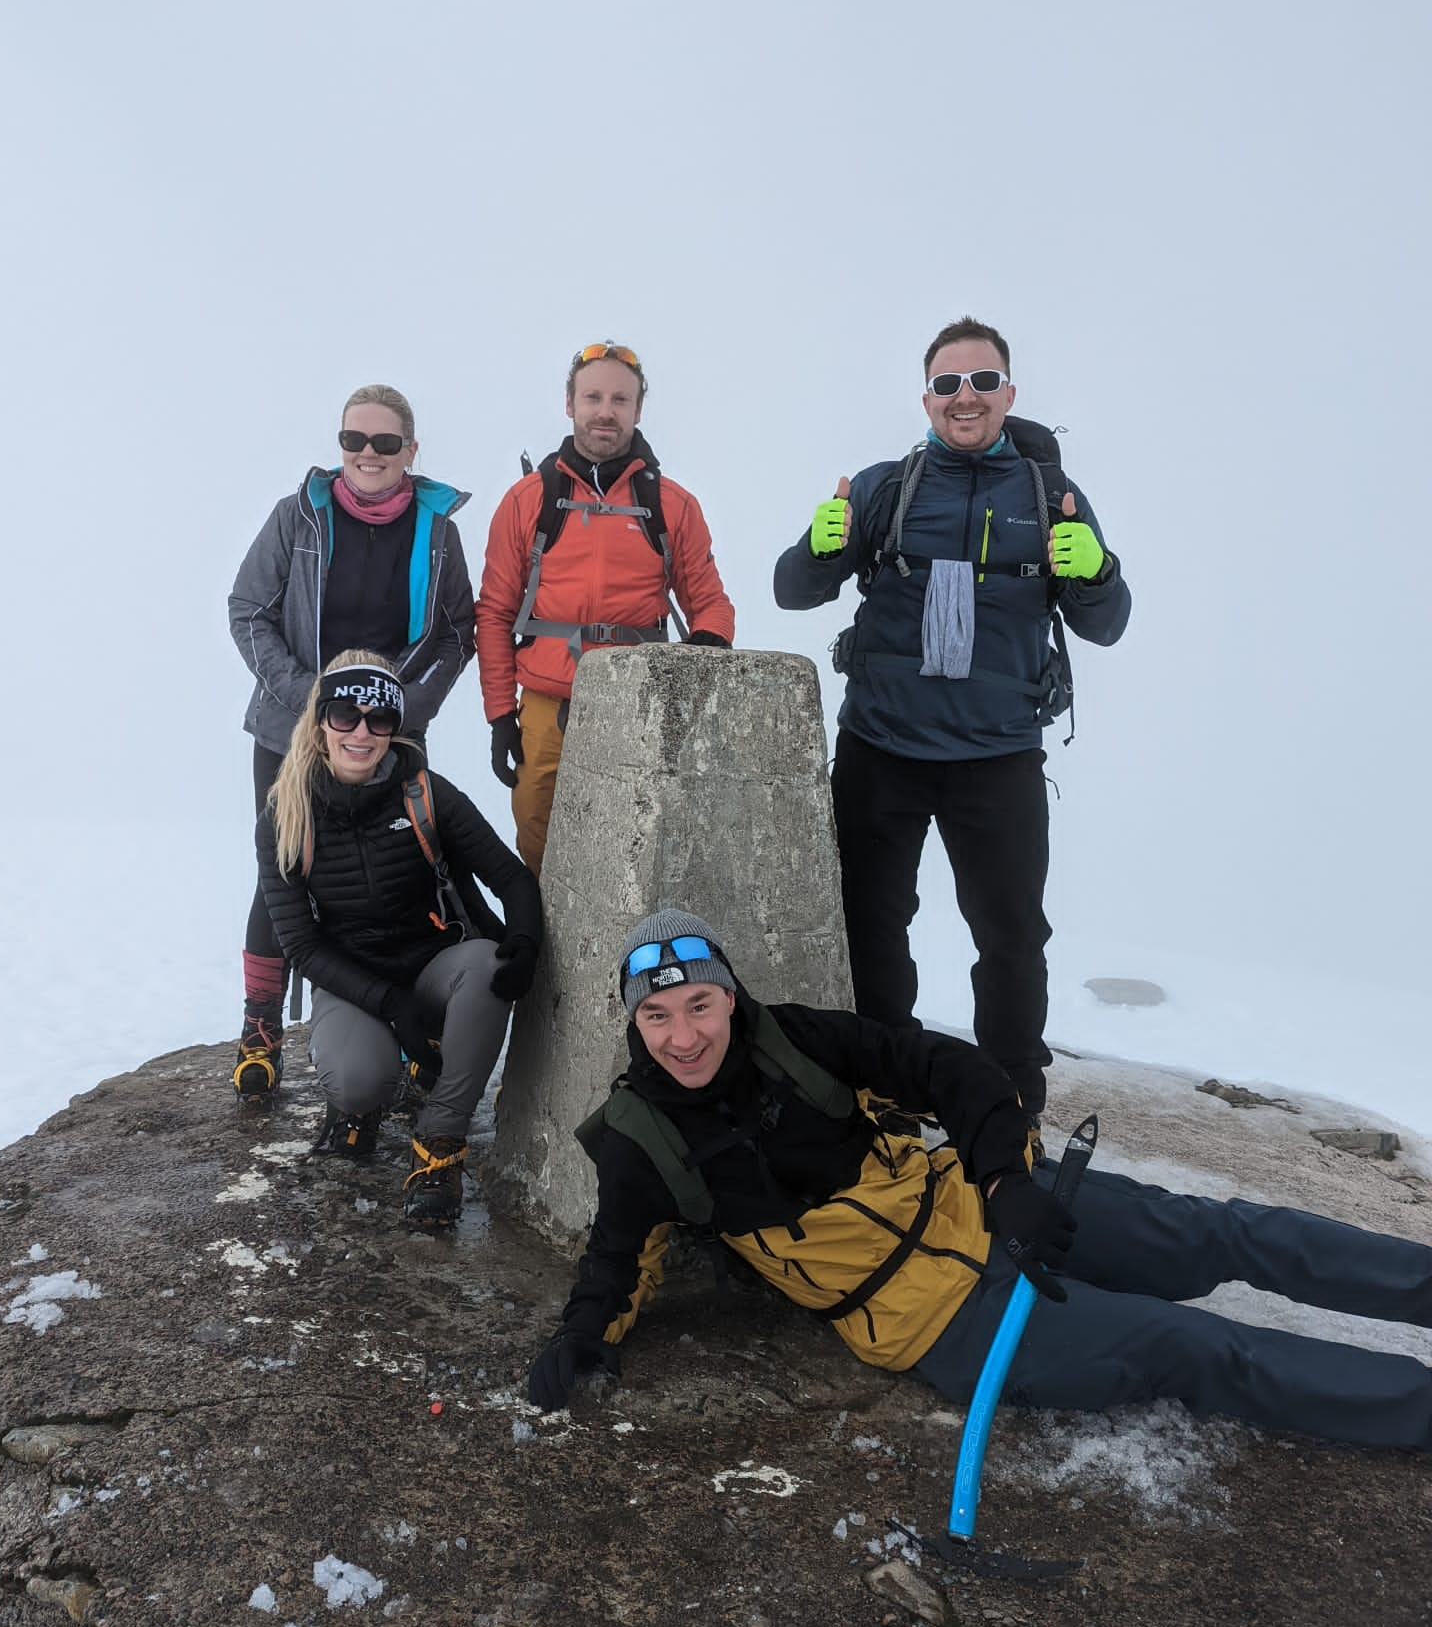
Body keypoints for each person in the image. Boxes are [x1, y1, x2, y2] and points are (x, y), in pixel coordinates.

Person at [526, 912, 1432, 1454]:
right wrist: (581, 1339)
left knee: (1226, 1232)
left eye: (699, 1006)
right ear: (633, 1022)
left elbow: (946, 1067)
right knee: (1191, 1345)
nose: (683, 1036)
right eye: (656, 1016)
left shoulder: (793, 1038)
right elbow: (616, 1262)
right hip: (939, 1321)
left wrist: (1003, 1181)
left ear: (730, 997)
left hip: (985, 1204)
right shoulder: (639, 1141)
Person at [773, 316, 1131, 1126]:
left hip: (999, 758)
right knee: (873, 924)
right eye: (946, 384)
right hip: (881, 749)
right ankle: (885, 1089)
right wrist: (821, 547)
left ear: (1009, 392)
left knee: (1010, 941)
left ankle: (1009, 1106)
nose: (963, 397)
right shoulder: (881, 488)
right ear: (926, 397)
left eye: (981, 381)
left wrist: (1096, 570)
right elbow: (794, 590)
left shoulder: (1054, 499)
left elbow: (1106, 624)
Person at [229, 384, 474, 1096]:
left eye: (385, 443)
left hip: (392, 734)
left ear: (411, 451)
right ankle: (261, 1030)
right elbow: (248, 611)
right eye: (353, 441)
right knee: (283, 868)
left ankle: (413, 1028)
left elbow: (457, 632)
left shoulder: (438, 532)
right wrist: (314, 702)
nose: (368, 455)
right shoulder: (296, 517)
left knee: (407, 872)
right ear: (339, 446)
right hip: (291, 730)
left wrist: (405, 709)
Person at [257, 652, 542, 1223]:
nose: (362, 732)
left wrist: (525, 937)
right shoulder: (285, 816)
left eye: (379, 720)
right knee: (360, 1083)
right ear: (320, 723)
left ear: (395, 729)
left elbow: (509, 875)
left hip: (434, 966)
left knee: (487, 966)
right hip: (352, 980)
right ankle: (358, 1104)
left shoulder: (425, 793)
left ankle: (440, 1142)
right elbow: (302, 946)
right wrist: (392, 1005)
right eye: (345, 715)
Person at [475, 341, 736, 874]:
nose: (605, 410)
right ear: (569, 403)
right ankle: (545, 949)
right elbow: (495, 612)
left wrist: (706, 657)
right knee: (537, 833)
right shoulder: (528, 500)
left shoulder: (672, 505)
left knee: (634, 845)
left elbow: (708, 602)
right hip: (546, 702)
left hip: (638, 698)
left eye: (621, 399)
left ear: (638, 410)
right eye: (592, 396)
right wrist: (502, 715)